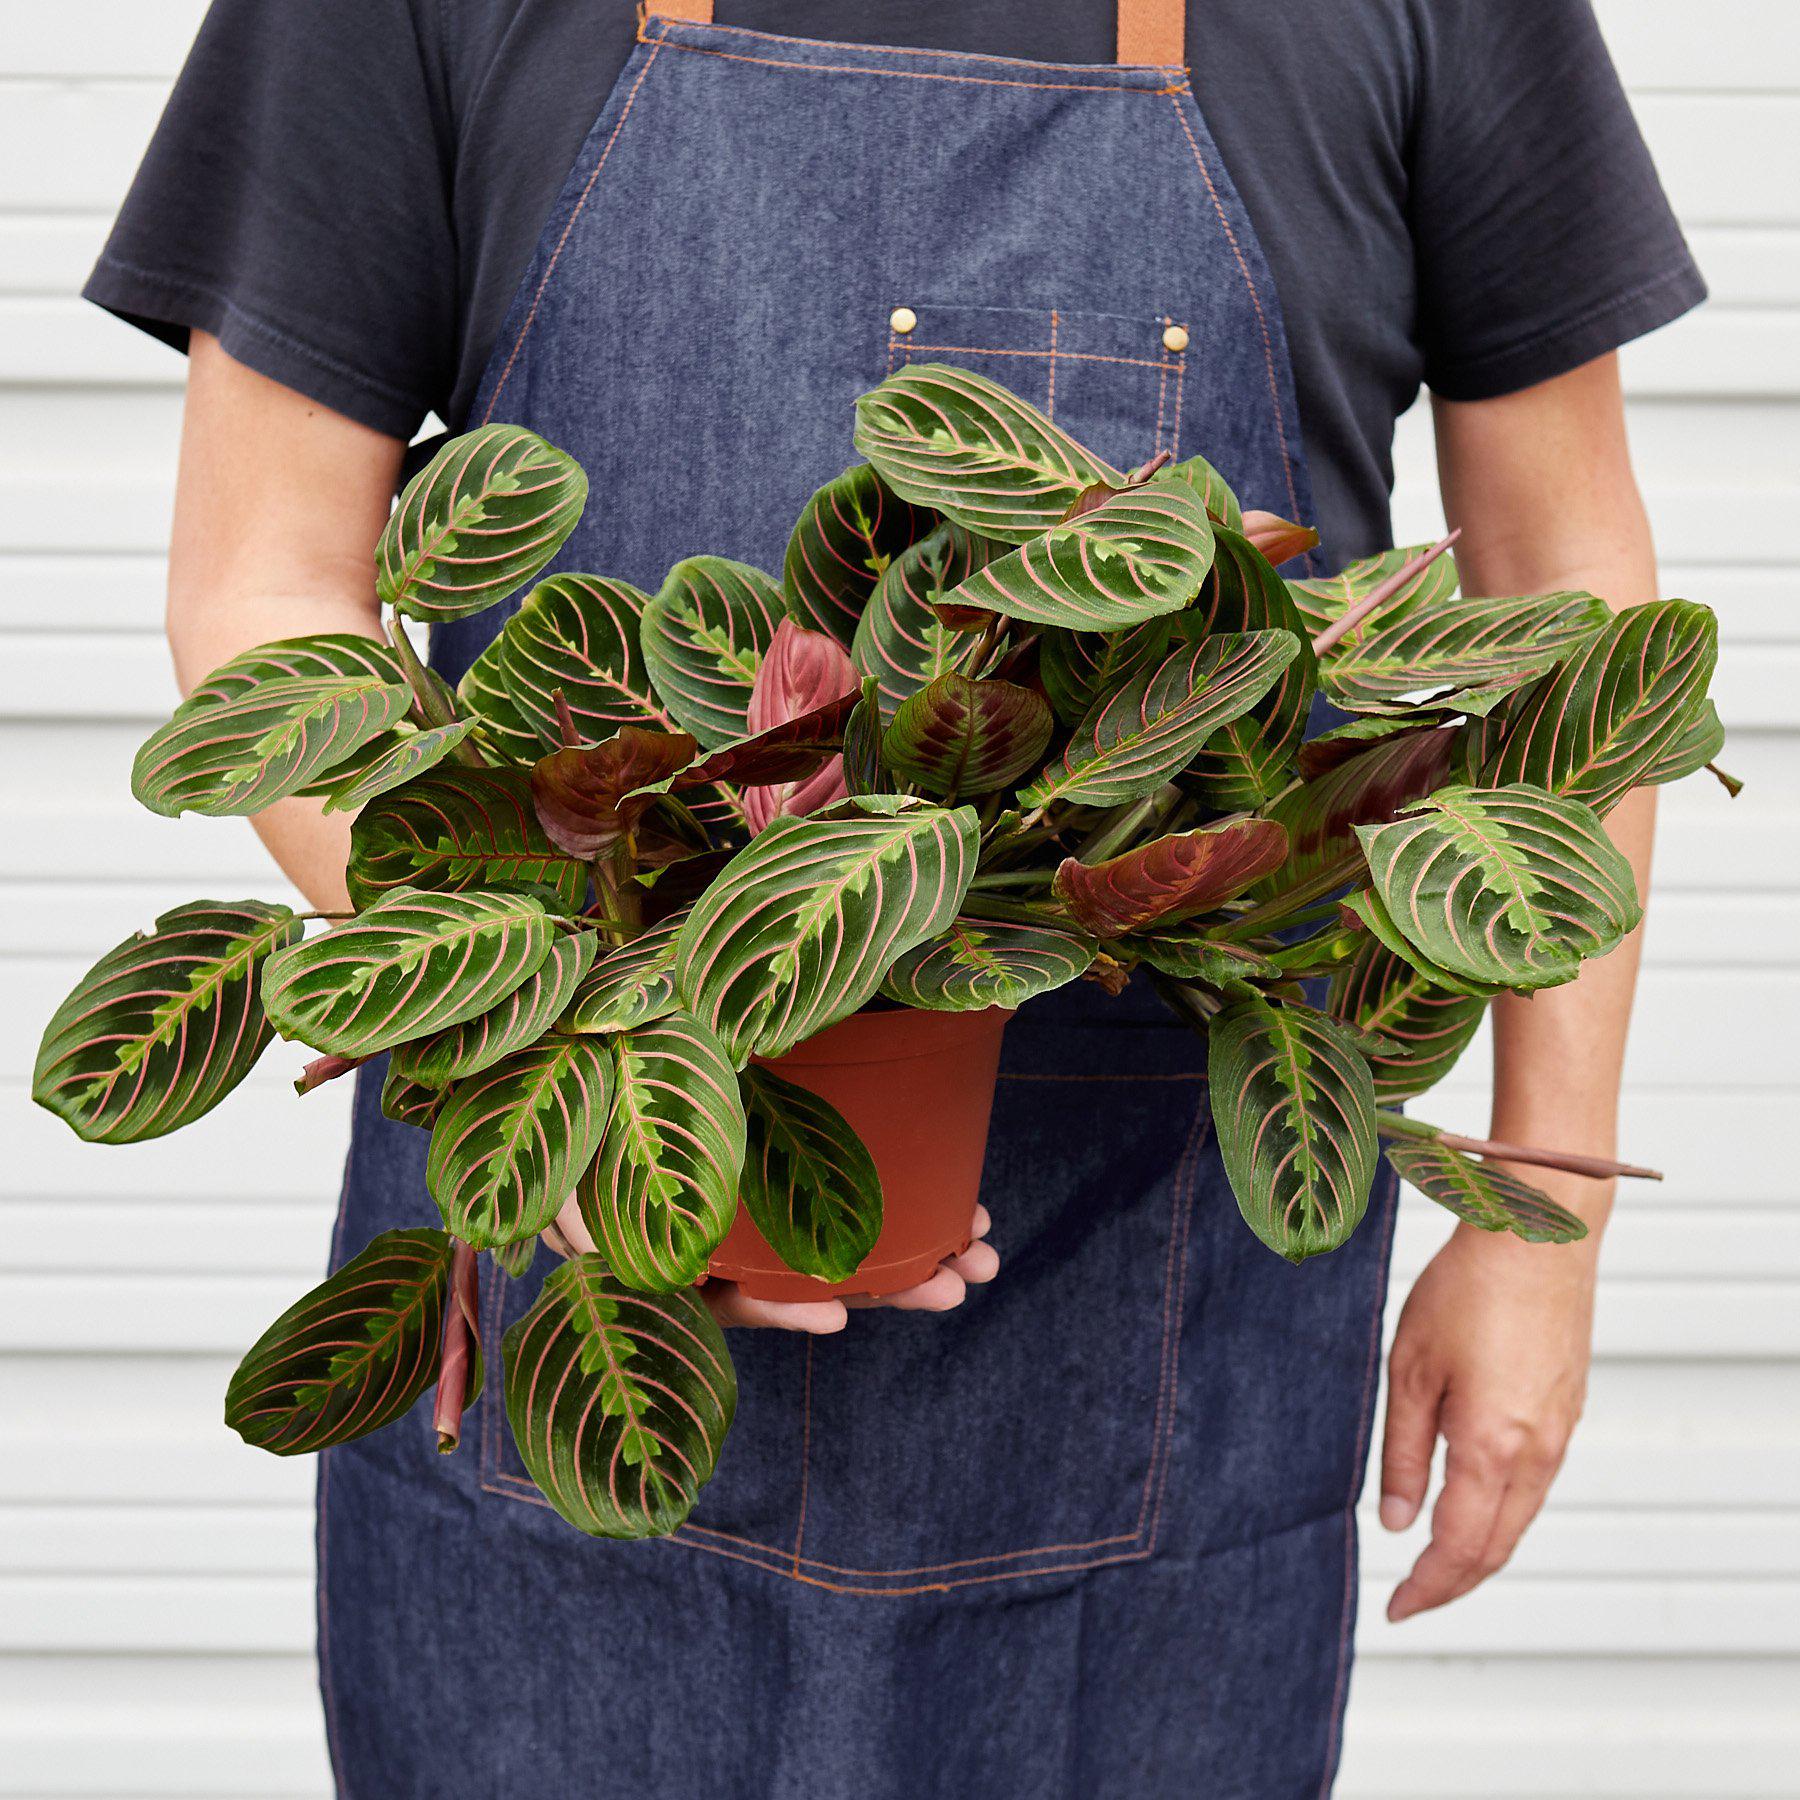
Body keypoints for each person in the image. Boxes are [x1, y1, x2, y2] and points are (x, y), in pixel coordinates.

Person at [87, 0, 1703, 1792]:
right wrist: (579, 1075)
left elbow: (1570, 599)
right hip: (585, 1311)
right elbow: (263, 586)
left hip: (1143, 1349)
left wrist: (1545, 1209)